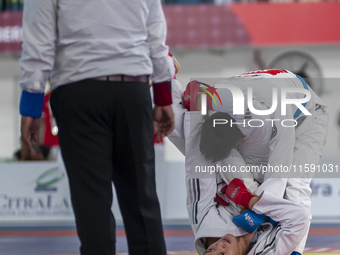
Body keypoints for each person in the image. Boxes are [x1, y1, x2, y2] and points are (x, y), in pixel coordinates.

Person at [19, 1, 175, 255]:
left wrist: (31, 102)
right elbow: (155, 29)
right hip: (132, 91)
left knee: (92, 205)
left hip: (79, 92)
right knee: (142, 203)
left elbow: (39, 35)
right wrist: (163, 94)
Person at [167, 69, 328, 254]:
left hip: (261, 97)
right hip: (304, 113)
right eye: (222, 254)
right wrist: (251, 202)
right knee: (295, 188)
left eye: (211, 251)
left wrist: (194, 114)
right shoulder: (266, 251)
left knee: (190, 139)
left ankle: (186, 91)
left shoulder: (205, 224)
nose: (219, 246)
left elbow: (198, 167)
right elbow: (297, 216)